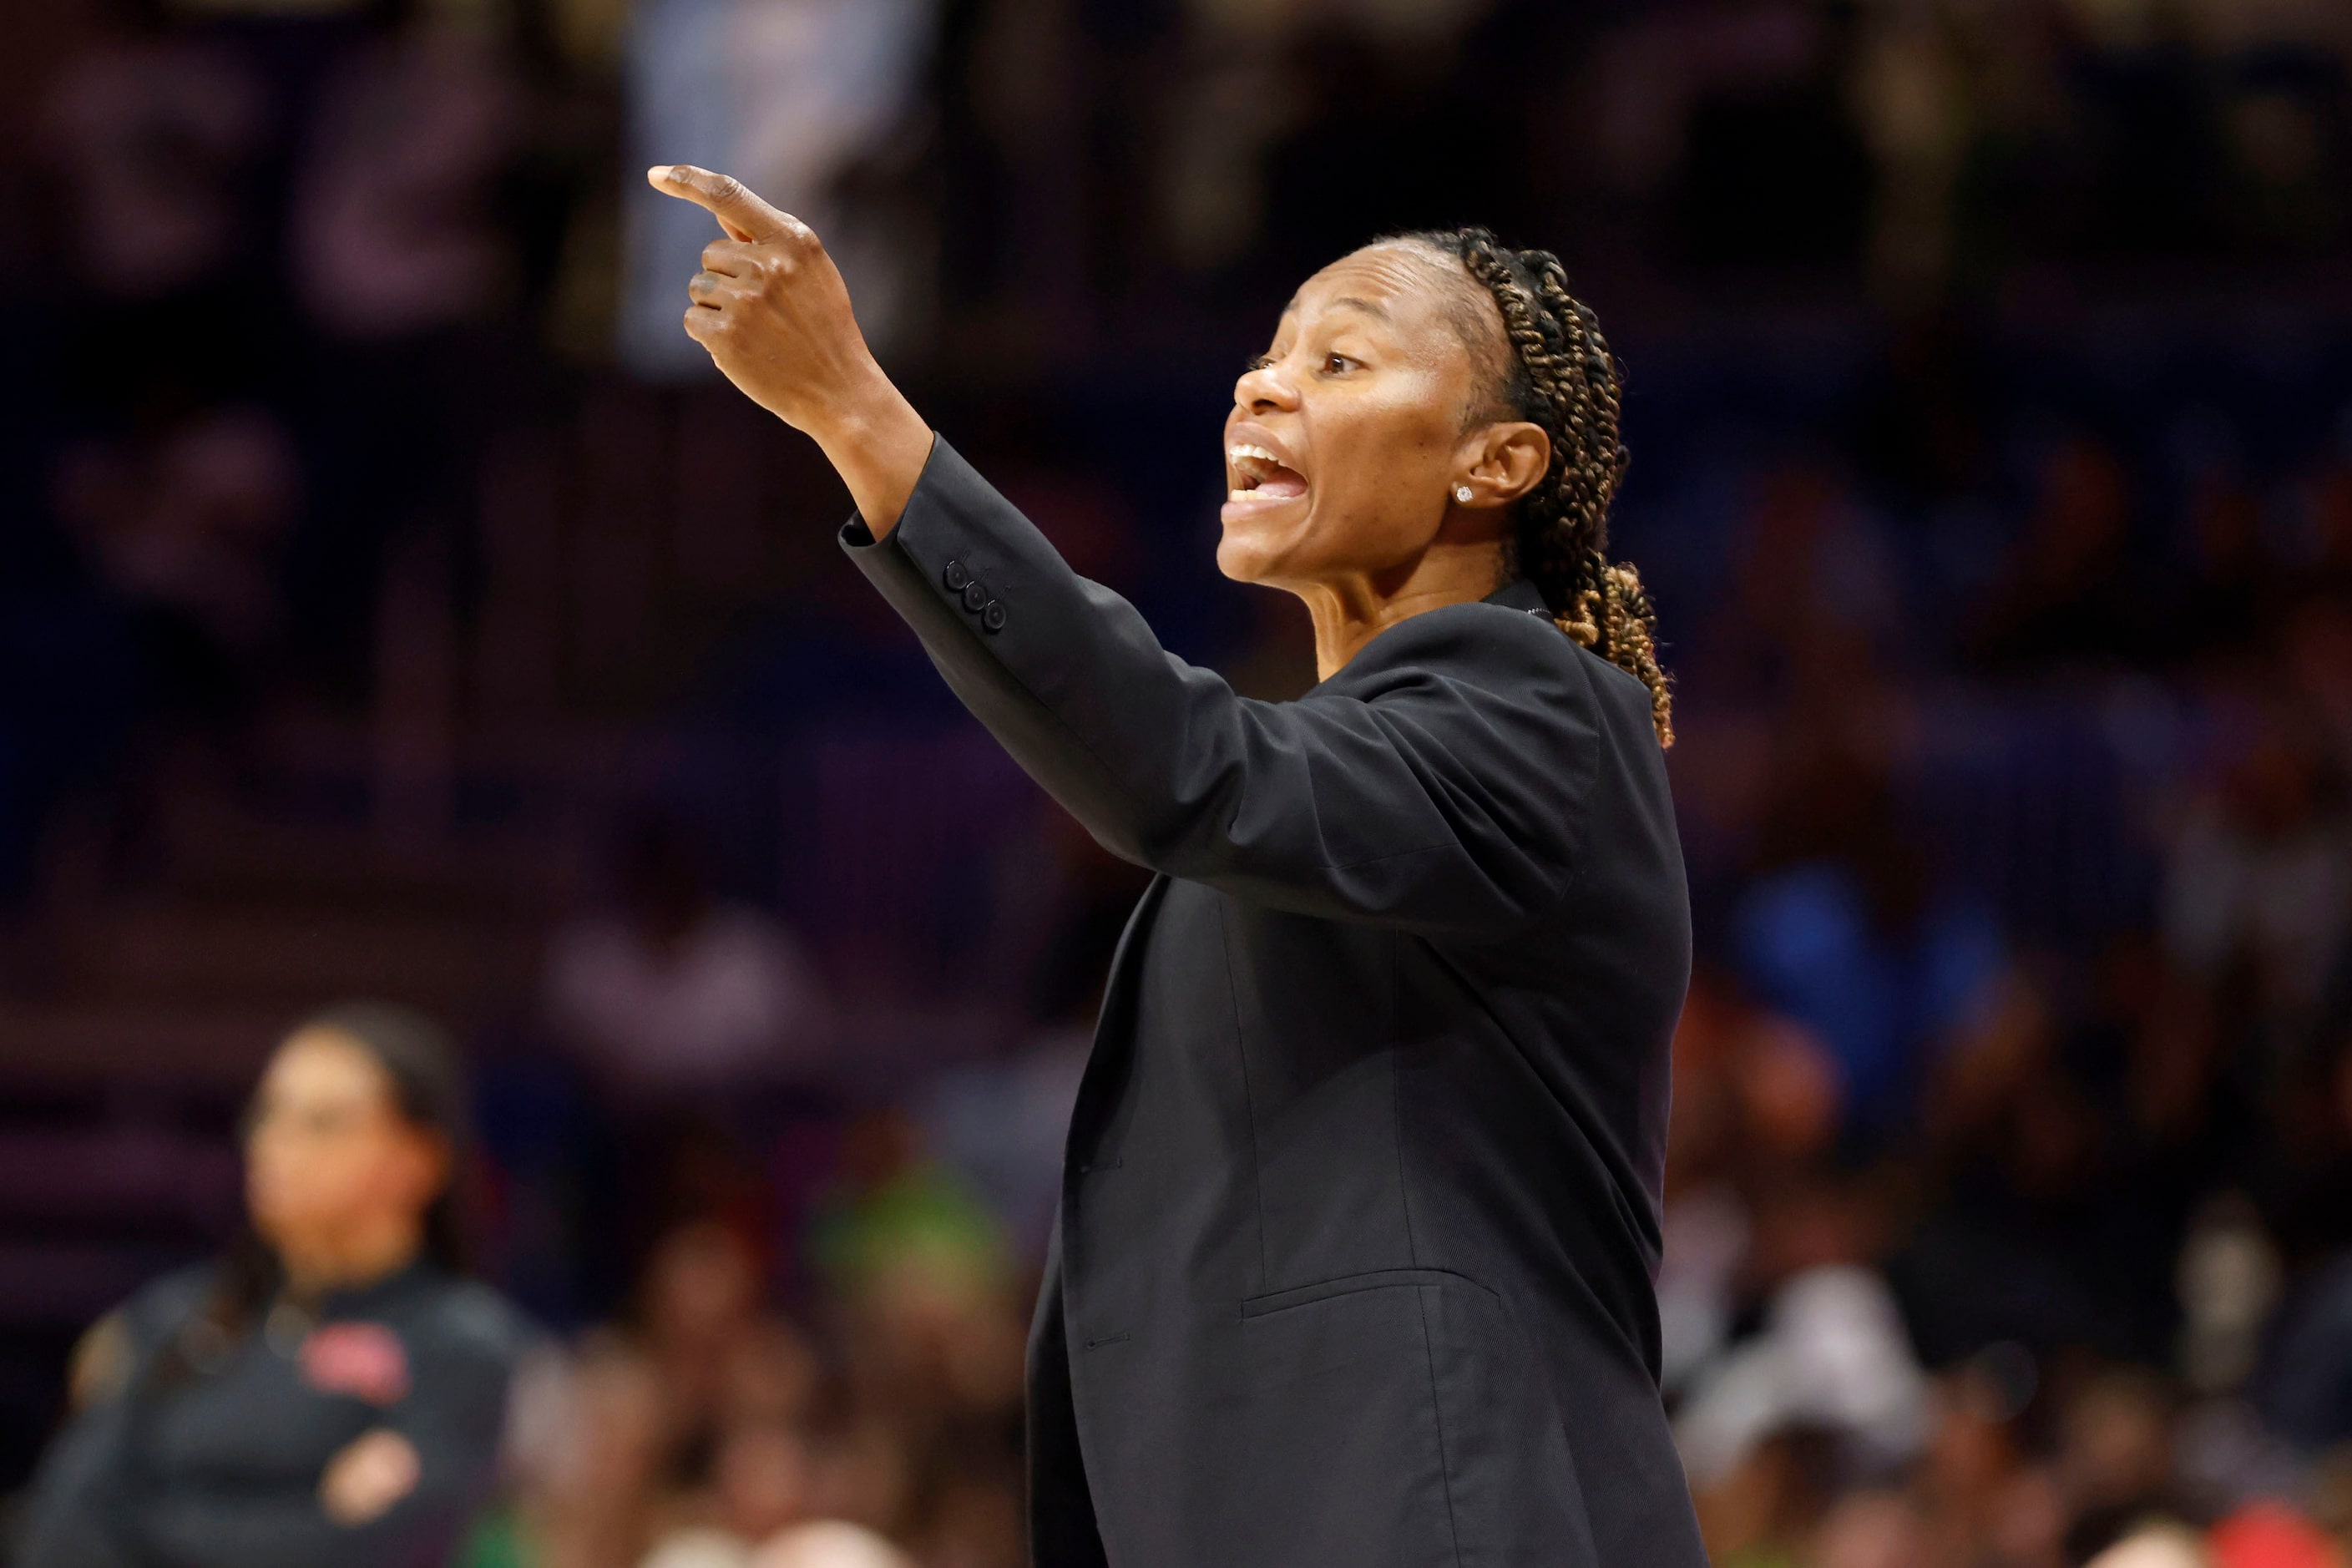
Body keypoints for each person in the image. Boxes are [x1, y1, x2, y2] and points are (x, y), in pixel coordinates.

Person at [648, 163, 1702, 1566]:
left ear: (1494, 460)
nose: (1259, 389)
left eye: (1337, 358)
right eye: (1261, 357)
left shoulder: (1539, 709)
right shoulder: (1350, 784)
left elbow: (1184, 768)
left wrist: (858, 408)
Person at [15, 1002, 534, 1568]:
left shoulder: (458, 1343)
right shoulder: (178, 1317)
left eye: (322, 1122)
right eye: (269, 1115)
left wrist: (152, 1519)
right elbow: (61, 1526)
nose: (275, 1144)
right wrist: (312, 1506)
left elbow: (377, 1553)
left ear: (419, 1159)